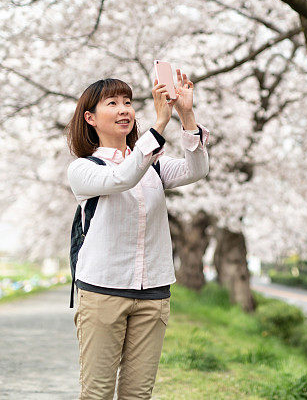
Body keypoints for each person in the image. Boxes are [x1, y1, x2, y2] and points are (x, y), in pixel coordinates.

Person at [66, 70, 210, 399]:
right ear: (90, 118)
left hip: (154, 294)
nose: (124, 109)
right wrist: (159, 123)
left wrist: (186, 115)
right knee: (97, 393)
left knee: (138, 394)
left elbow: (197, 169)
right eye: (113, 103)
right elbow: (122, 178)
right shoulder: (84, 169)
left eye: (128, 102)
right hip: (103, 292)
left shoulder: (154, 165)